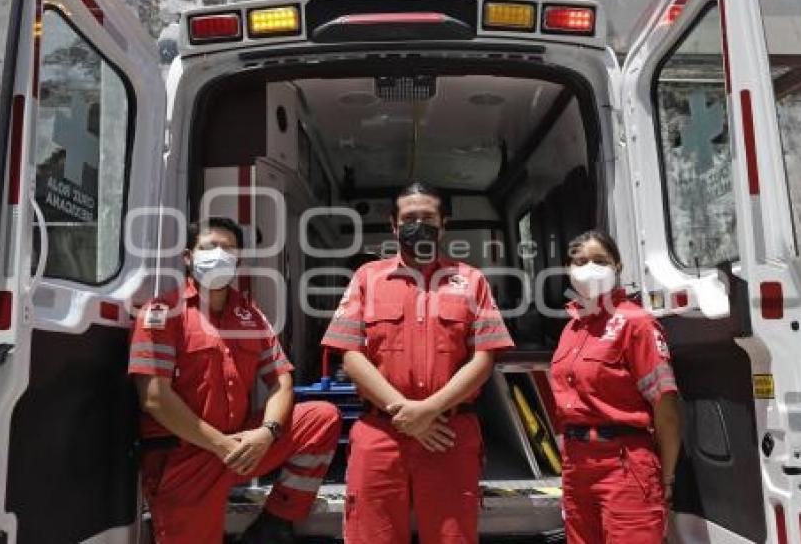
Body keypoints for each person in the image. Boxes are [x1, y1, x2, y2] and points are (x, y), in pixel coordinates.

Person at [322, 181, 515, 544]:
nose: (418, 225)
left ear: (444, 224)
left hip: (448, 436)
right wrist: (405, 413)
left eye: (428, 217)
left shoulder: (472, 281)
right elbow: (349, 354)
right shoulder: (367, 278)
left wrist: (427, 411)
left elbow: (484, 358)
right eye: (409, 218)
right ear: (394, 225)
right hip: (380, 436)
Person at [128, 217, 341, 544]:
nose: (218, 254)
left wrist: (266, 434)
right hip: (186, 460)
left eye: (228, 248)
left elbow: (282, 382)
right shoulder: (162, 312)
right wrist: (221, 445)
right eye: (209, 247)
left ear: (238, 260)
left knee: (321, 418)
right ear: (188, 257)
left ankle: (276, 522)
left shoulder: (249, 315)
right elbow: (154, 397)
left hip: (243, 445)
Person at [550, 230, 682, 543]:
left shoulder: (637, 323)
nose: (589, 268)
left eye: (600, 261)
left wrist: (667, 477)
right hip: (576, 466)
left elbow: (666, 408)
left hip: (624, 465)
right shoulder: (571, 328)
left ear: (617, 265)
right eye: (580, 261)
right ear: (569, 269)